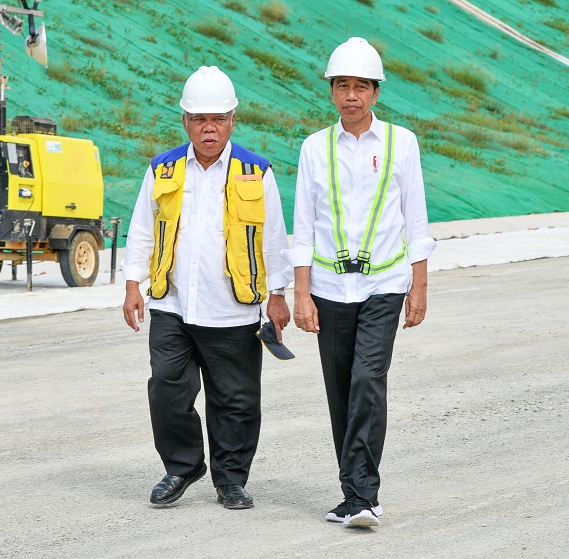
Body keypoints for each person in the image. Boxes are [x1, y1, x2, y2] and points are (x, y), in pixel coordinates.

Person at [122, 66, 291, 510]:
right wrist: (131, 284)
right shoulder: (162, 168)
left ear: (233, 119)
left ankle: (230, 480)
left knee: (235, 401)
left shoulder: (256, 171)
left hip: (233, 308)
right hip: (172, 304)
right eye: (199, 119)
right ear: (185, 121)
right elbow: (142, 228)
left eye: (218, 118)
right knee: (166, 387)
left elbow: (274, 236)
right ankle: (182, 466)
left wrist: (279, 294)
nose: (209, 127)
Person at [286, 38, 435, 527]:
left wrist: (419, 285)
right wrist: (301, 292)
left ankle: (364, 496)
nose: (352, 95)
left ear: (375, 93)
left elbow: (416, 218)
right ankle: (351, 493)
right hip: (329, 289)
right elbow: (303, 226)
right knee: (340, 390)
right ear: (332, 92)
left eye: (361, 87)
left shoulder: (401, 143)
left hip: (384, 285)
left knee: (368, 381)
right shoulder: (314, 147)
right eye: (343, 86)